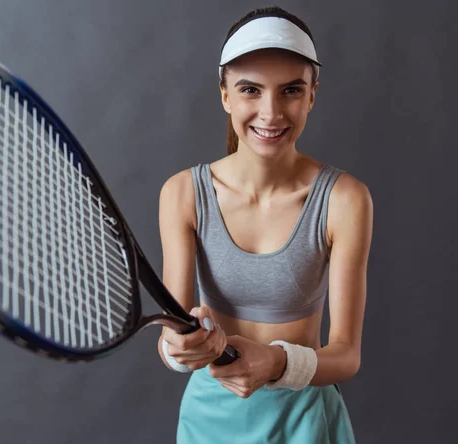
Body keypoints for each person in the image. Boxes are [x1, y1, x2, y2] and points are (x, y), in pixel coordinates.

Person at [156, 6, 373, 444]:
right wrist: (178, 350)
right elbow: (171, 342)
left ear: (312, 95)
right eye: (250, 89)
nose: (270, 112)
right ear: (225, 96)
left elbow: (346, 356)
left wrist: (276, 363)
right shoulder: (182, 193)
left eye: (290, 90)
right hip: (208, 420)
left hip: (305, 419)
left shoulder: (345, 199)